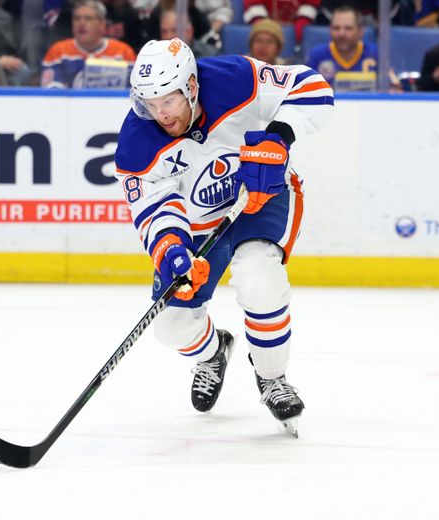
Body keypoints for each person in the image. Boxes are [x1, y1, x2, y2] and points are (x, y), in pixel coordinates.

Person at [114, 38, 333, 435]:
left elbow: (313, 87)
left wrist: (279, 136)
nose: (160, 114)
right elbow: (152, 205)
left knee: (259, 278)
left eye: (168, 100)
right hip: (197, 223)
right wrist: (172, 249)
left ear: (192, 86)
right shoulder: (136, 142)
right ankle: (214, 353)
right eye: (150, 103)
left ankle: (272, 378)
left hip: (260, 196)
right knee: (171, 324)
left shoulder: (236, 78)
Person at [41, 0, 136, 88]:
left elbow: (136, 89)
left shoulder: (123, 52)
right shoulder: (58, 51)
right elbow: (51, 90)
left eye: (88, 18)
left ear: (102, 23)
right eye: (77, 18)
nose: (81, 23)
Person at [305, 6, 377, 90]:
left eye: (348, 28)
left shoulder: (376, 54)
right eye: (336, 28)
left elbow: (393, 89)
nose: (341, 33)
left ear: (360, 31)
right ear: (330, 30)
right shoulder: (316, 56)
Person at [244, 0, 319, 42]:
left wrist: (301, 25)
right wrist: (264, 28)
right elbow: (254, 6)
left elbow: (310, 5)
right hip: (267, 29)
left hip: (295, 33)